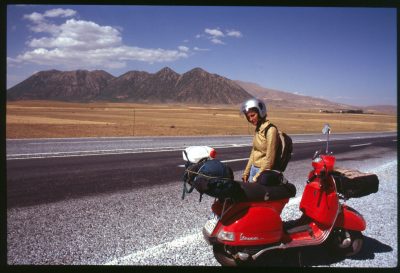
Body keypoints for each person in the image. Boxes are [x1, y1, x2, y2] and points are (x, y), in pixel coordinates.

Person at [241, 98, 279, 183]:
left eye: (253, 115)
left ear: (260, 113)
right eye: (248, 117)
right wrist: (246, 172)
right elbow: (254, 152)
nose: (250, 119)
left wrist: (257, 176)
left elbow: (270, 160)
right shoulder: (258, 129)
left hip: (263, 172)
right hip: (253, 169)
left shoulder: (271, 130)